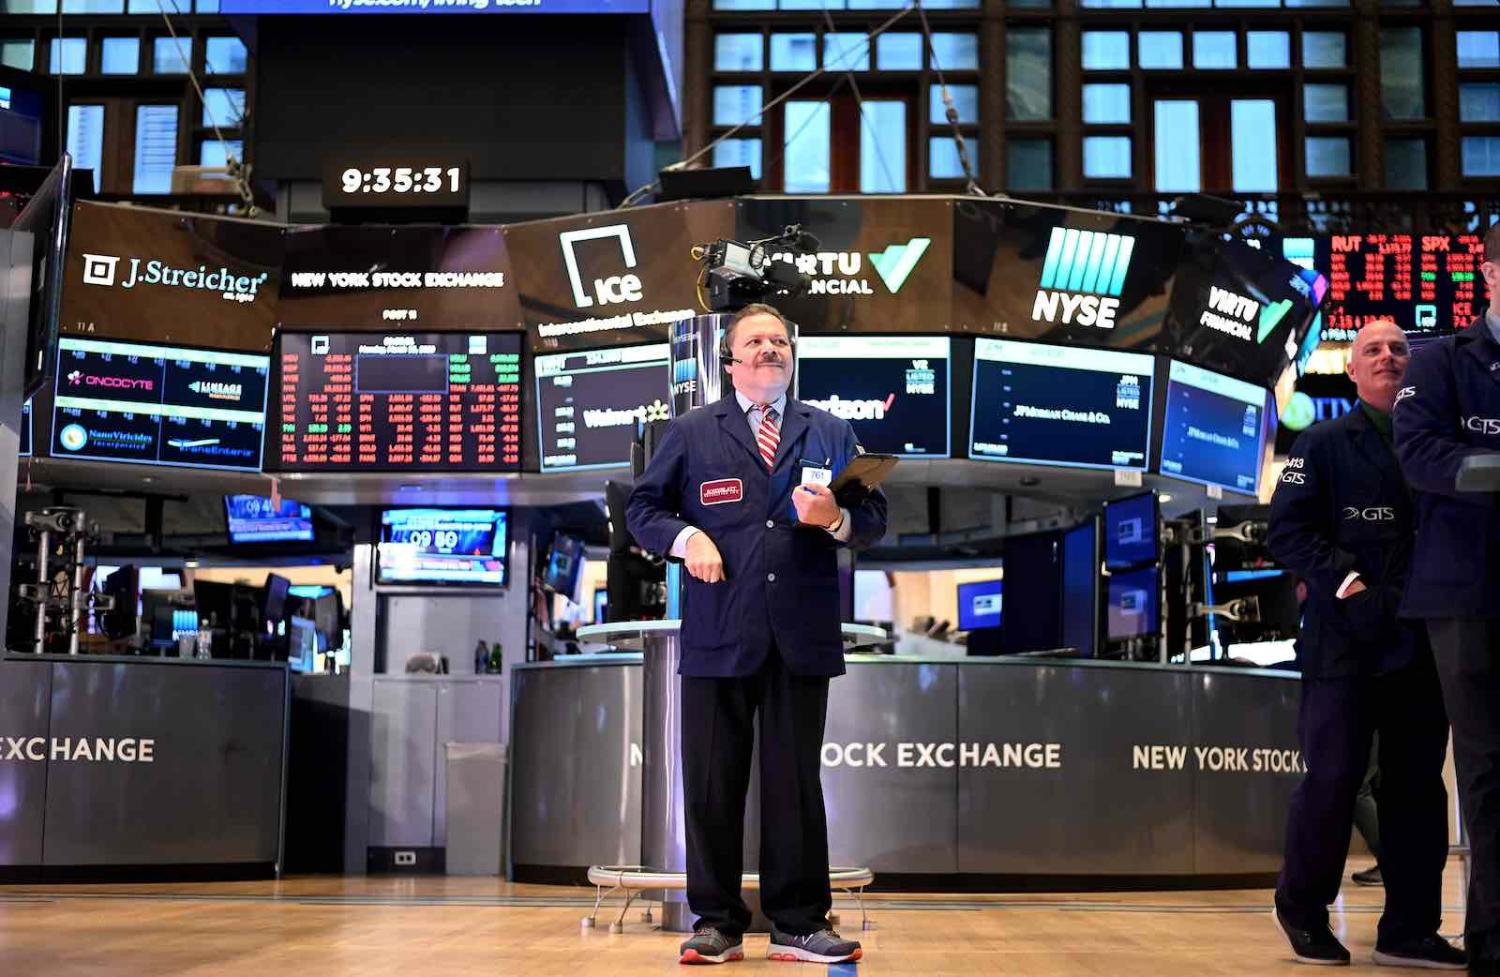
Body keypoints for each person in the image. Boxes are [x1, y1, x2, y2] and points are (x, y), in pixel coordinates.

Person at [626, 303, 888, 966]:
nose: (769, 348)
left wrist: (835, 519)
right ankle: (716, 922)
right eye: (756, 340)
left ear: (791, 357)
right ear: (731, 358)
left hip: (801, 633)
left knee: (794, 782)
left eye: (779, 340)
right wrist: (686, 539)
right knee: (713, 783)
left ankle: (799, 920)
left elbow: (874, 515)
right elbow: (642, 509)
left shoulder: (831, 432)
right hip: (720, 631)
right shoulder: (691, 432)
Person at [1269, 318, 1462, 969]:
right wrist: (1344, 581)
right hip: (1343, 646)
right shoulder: (1322, 443)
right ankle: (1302, 909)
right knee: (1333, 779)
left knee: (1416, 790)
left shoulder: (1438, 444)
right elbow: (1287, 531)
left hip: (1421, 645)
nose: (1388, 357)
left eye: (1399, 349)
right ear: (1351, 370)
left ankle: (1408, 927)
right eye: (1372, 350)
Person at [1394, 221, 1500, 977]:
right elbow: (1422, 457)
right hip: (1466, 591)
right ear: (1490, 275)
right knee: (1489, 770)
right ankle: (1493, 938)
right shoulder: (1439, 364)